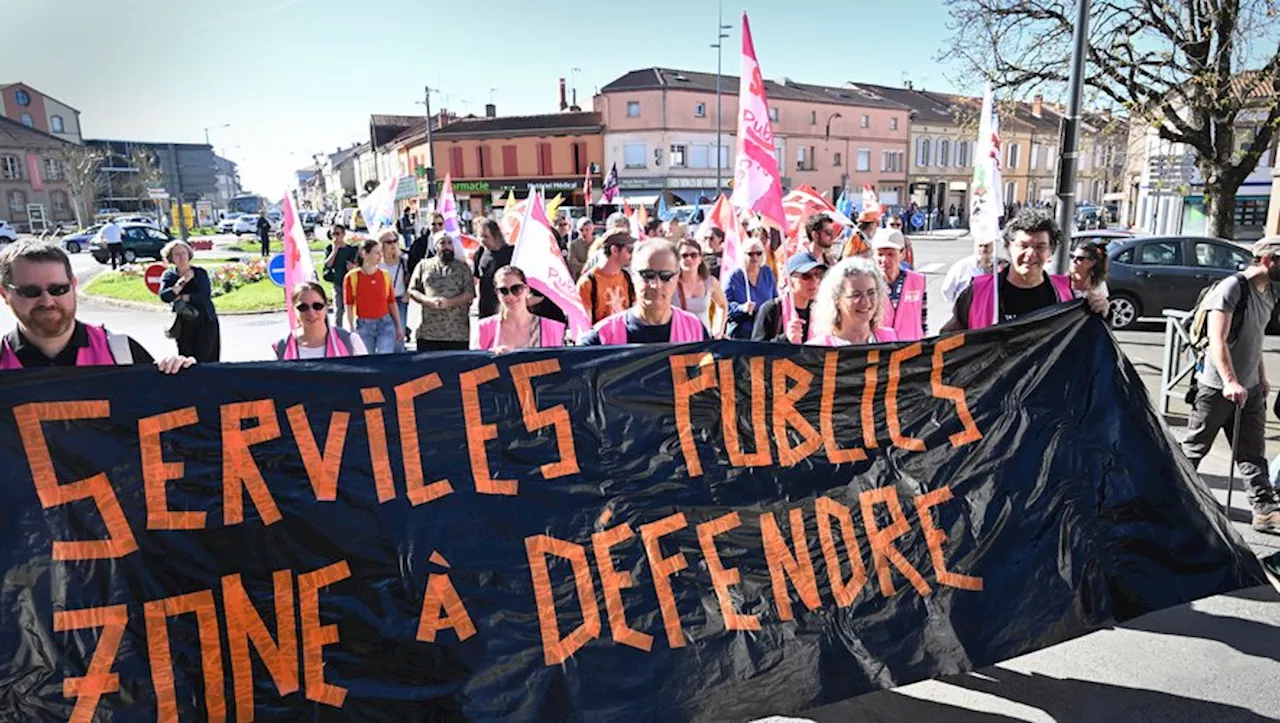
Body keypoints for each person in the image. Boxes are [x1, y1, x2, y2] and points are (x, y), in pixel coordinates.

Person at [1181, 237, 1280, 533]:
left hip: (1248, 388)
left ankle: (1264, 511)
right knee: (1194, 449)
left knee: (1251, 452)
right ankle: (1166, 500)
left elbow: (1255, 338)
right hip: (1216, 387)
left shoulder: (1269, 292)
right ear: (1267, 260)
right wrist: (1229, 381)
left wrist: (1260, 377)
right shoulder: (1232, 289)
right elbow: (1216, 340)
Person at [0, 240, 192, 372]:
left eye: (58, 289)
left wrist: (184, 377)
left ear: (74, 285)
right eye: (30, 292)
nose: (47, 301)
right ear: (5, 294)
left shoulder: (121, 352)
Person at [941, 208, 1104, 332]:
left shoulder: (1066, 295)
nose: (1031, 254)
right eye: (1023, 246)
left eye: (1040, 247)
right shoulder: (978, 292)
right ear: (1008, 248)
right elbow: (948, 342)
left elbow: (1088, 348)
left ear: (1050, 252)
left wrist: (1102, 314)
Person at [578, 239, 710, 345]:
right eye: (647, 275)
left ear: (676, 277)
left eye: (665, 276)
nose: (656, 285)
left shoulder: (695, 331)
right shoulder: (602, 337)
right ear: (633, 276)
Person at [806, 256, 898, 347]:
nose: (865, 302)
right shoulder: (819, 348)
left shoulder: (888, 338)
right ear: (836, 299)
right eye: (856, 295)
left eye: (871, 293)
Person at [475, 266, 567, 352]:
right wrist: (492, 357)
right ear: (497, 293)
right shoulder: (483, 328)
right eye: (504, 291)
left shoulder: (552, 328)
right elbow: (476, 365)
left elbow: (560, 365)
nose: (510, 296)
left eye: (516, 289)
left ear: (527, 290)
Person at [409, 232, 474, 351]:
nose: (447, 246)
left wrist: (449, 302)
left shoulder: (463, 268)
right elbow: (413, 290)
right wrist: (428, 301)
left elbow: (469, 294)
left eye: (450, 243)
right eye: (442, 243)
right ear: (435, 247)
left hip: (457, 334)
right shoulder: (423, 265)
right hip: (428, 333)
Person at [157, 239, 220, 362]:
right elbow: (165, 296)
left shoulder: (200, 273)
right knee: (186, 359)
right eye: (177, 254)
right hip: (184, 324)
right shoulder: (169, 275)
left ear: (189, 254)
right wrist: (182, 282)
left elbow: (204, 296)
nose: (181, 257)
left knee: (207, 358)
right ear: (171, 257)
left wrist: (183, 297)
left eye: (184, 253)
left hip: (205, 320)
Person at [273, 282, 367, 358]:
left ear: (326, 307)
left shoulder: (350, 342)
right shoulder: (281, 348)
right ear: (293, 309)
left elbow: (368, 379)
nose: (311, 312)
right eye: (303, 307)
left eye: (317, 306)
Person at [343, 238, 403, 354]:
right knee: (367, 360)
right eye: (376, 253)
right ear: (364, 254)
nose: (380, 256)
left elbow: (391, 302)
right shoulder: (352, 277)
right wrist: (351, 328)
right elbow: (349, 305)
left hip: (385, 324)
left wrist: (398, 326)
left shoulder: (385, 276)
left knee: (384, 356)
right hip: (364, 326)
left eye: (381, 253)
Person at [753, 250, 826, 343]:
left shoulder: (820, 312)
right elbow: (755, 352)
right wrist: (785, 338)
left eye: (818, 274)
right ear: (788, 280)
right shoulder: (771, 309)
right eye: (806, 276)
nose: (814, 281)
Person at [872, 229, 928, 341]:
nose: (884, 259)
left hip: (911, 349)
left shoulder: (917, 281)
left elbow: (923, 320)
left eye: (890, 254)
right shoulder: (869, 283)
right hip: (880, 350)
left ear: (902, 254)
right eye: (880, 254)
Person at [577, 229, 636, 324]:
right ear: (614, 250)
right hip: (600, 337)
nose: (632, 255)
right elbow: (584, 325)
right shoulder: (588, 283)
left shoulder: (627, 278)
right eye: (630, 250)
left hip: (624, 337)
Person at [724, 236, 778, 339]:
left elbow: (775, 299)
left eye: (759, 253)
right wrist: (741, 308)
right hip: (742, 333)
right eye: (750, 254)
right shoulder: (733, 277)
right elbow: (724, 305)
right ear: (743, 255)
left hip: (765, 332)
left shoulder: (767, 273)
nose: (755, 257)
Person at [674, 239, 728, 338]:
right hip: (678, 340)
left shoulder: (710, 282)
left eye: (693, 255)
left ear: (700, 259)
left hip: (702, 340)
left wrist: (718, 331)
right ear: (678, 259)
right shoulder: (671, 283)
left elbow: (722, 305)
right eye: (684, 256)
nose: (689, 259)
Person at [473, 218, 514, 319]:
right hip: (485, 308)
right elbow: (477, 278)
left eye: (486, 237)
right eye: (480, 236)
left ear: (496, 236)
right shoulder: (480, 253)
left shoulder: (510, 253)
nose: (482, 240)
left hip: (504, 306)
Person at [322, 223, 359, 329]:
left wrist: (353, 267)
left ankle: (354, 330)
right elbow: (328, 264)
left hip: (351, 284)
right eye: (333, 234)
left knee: (352, 309)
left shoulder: (352, 249)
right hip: (338, 283)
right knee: (339, 310)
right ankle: (338, 332)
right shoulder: (329, 249)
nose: (335, 237)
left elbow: (357, 265)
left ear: (343, 234)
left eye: (337, 234)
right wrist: (334, 251)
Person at [379, 231, 411, 350]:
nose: (393, 245)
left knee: (399, 332)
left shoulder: (404, 260)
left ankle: (399, 358)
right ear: (382, 245)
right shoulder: (378, 263)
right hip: (382, 301)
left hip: (399, 299)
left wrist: (408, 293)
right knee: (384, 334)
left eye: (395, 241)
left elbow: (411, 277)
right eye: (389, 242)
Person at [941, 237, 996, 305]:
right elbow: (947, 289)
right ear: (975, 247)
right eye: (980, 246)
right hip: (965, 311)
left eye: (986, 246)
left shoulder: (998, 266)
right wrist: (958, 305)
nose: (983, 249)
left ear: (993, 247)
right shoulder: (962, 266)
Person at [1068, 239, 1110, 314]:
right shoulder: (1062, 282)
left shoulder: (1099, 286)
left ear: (1092, 262)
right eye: (1072, 256)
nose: (1073, 261)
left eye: (1079, 258)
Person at [409, 213, 445, 277]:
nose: (437, 227)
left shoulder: (451, 243)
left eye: (440, 224)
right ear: (428, 225)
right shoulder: (419, 243)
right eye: (433, 224)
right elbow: (412, 264)